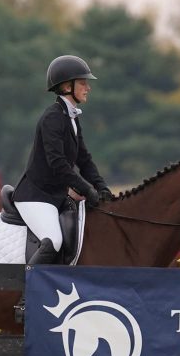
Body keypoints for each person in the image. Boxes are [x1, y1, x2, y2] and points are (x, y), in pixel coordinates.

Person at [12, 54, 114, 265]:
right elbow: (58, 164)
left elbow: (84, 159)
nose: (88, 88)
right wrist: (87, 190)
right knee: (54, 241)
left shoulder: (71, 117)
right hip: (35, 196)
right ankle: (26, 286)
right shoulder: (53, 117)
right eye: (83, 83)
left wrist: (101, 187)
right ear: (67, 86)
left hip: (54, 195)